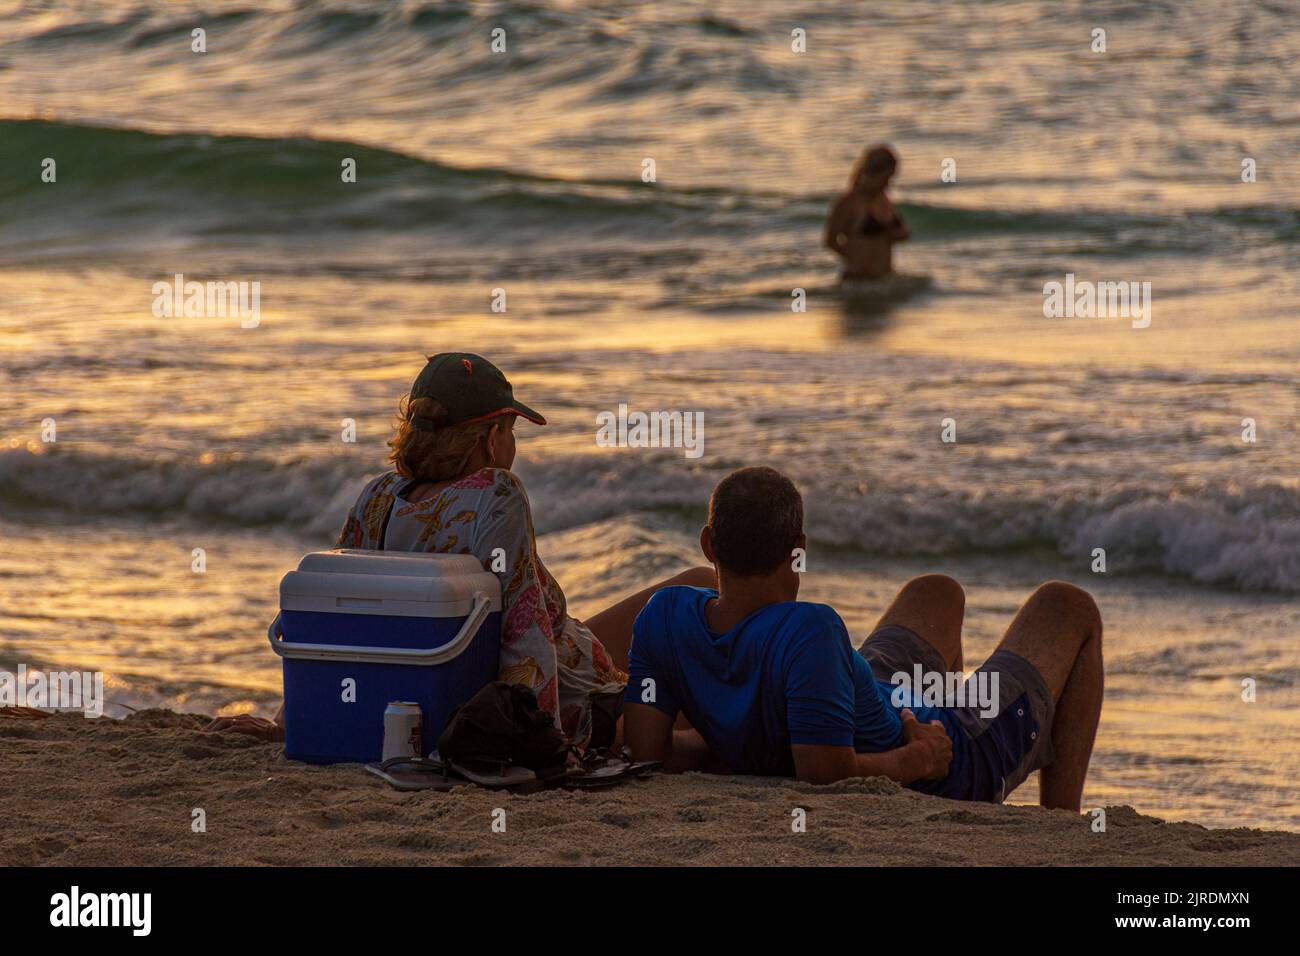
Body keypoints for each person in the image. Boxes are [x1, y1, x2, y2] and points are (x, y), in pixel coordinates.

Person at [207, 353, 714, 745]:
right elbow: (524, 634)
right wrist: (546, 741)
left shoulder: (379, 496)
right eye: (512, 432)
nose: (512, 449)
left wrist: (290, 721)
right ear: (491, 439)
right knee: (701, 598)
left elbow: (340, 618)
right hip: (554, 695)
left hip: (427, 691)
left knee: (696, 590)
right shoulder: (497, 492)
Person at [623, 466, 1104, 811]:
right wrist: (921, 756)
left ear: (708, 545)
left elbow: (649, 752)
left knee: (936, 591)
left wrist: (727, 747)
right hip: (948, 752)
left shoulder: (661, 615)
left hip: (859, 687)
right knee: (1069, 605)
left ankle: (947, 711)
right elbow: (824, 773)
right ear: (798, 552)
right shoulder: (813, 628)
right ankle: (1061, 819)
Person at [824, 144, 911, 281]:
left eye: (890, 179)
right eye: (885, 179)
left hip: (884, 279)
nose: (887, 184)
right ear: (870, 174)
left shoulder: (883, 199)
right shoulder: (848, 202)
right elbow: (830, 241)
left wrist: (894, 234)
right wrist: (856, 258)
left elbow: (904, 233)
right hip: (858, 280)